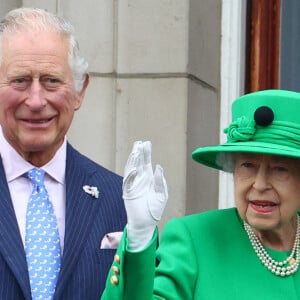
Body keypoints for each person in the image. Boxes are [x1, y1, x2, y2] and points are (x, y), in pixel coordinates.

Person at [101, 89, 300, 299]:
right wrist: (139, 240)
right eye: (248, 165)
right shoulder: (195, 239)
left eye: (280, 169)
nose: (259, 184)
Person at [0, 7, 127, 300]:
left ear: (80, 91)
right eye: (20, 80)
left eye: (52, 81)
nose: (35, 100)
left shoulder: (120, 200)